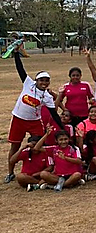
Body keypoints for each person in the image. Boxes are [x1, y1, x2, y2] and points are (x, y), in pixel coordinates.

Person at [6, 48, 63, 184]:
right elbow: (20, 69)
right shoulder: (28, 84)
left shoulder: (47, 97)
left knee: (39, 145)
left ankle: (42, 171)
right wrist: (16, 54)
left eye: (47, 80)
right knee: (15, 146)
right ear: (36, 80)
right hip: (18, 119)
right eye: (41, 80)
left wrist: (62, 128)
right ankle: (10, 172)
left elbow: (54, 114)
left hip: (34, 122)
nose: (44, 83)